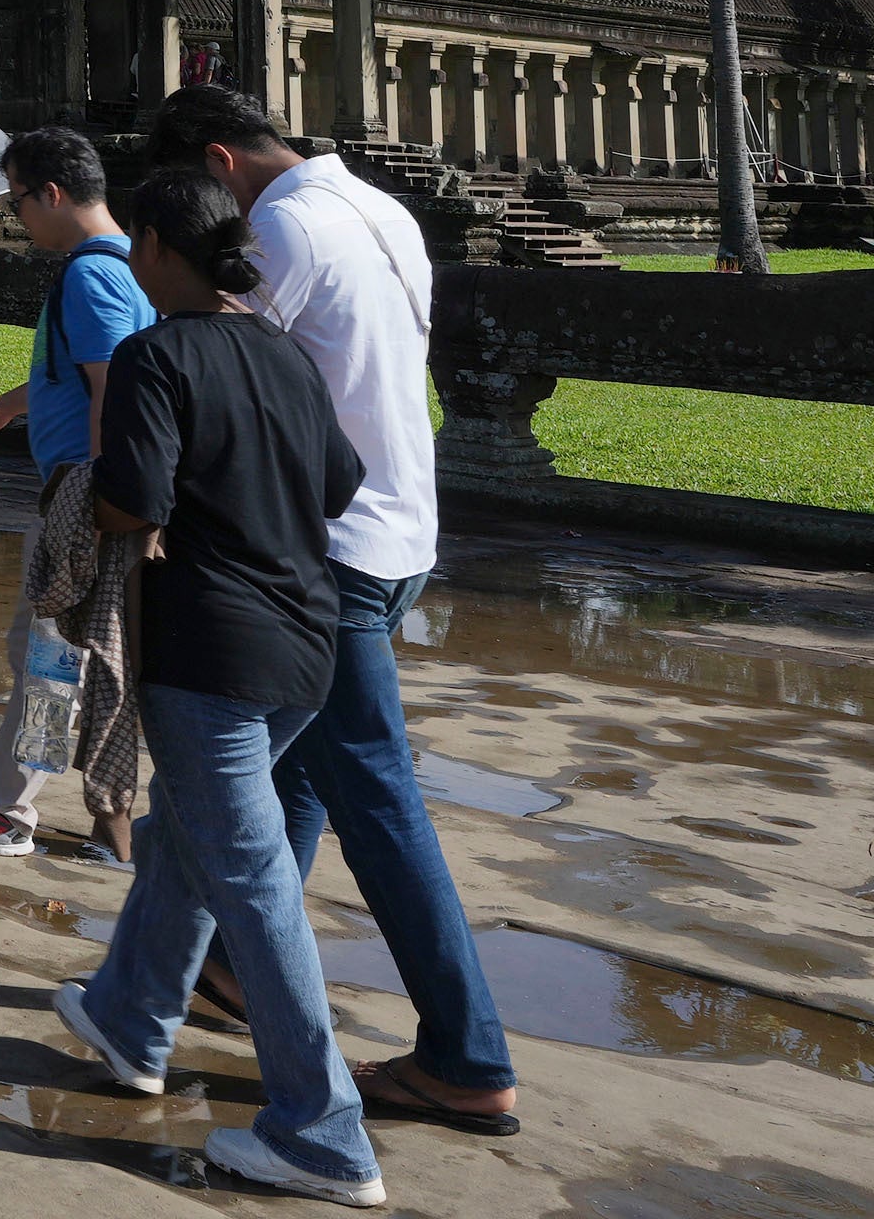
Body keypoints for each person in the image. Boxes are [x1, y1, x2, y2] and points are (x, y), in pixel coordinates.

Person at [152, 80, 523, 1141]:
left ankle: (467, 1053)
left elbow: (212, 363)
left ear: (218, 165)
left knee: (377, 799)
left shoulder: (282, 230)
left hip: (333, 553)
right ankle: (229, 965)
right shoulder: (378, 205)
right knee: (293, 764)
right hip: (402, 531)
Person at [55, 169, 383, 1208]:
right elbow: (340, 483)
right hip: (305, 644)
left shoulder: (159, 353)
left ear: (153, 245)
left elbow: (133, 498)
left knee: (253, 880)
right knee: (191, 837)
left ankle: (323, 1136)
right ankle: (131, 1015)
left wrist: (87, 503)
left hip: (211, 655)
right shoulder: (280, 349)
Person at [0, 126, 154, 860]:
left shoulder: (93, 275)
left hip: (83, 498)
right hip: (91, 493)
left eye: (17, 200)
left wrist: (91, 510)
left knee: (50, 660)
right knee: (56, 658)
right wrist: (6, 408)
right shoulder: (130, 266)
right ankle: (72, 815)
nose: (16, 217)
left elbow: (111, 394)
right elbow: (80, 374)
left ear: (52, 194)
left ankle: (5, 811)